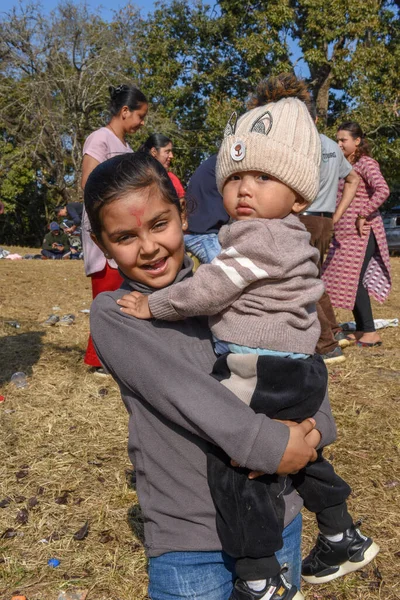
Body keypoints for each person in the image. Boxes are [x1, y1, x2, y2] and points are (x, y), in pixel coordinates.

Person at [117, 77, 378, 600]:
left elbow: (209, 289)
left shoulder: (258, 236)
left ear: (299, 190)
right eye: (234, 176)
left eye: (262, 176)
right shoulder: (294, 234)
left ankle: (259, 574)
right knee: (299, 450)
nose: (244, 189)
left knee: (240, 467)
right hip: (297, 366)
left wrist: (155, 304)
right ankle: (340, 531)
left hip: (258, 366)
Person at [84, 151, 338, 600]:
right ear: (103, 246)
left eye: (159, 224)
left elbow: (296, 351)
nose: (148, 247)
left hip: (277, 517)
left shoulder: (233, 287)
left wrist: (314, 430)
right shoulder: (116, 315)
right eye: (125, 237)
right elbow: (188, 394)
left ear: (183, 214)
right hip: (193, 539)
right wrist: (274, 446)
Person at [80, 83, 148, 375]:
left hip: (124, 228)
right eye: (140, 116)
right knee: (106, 291)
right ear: (124, 111)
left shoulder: (127, 148)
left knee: (122, 290)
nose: (142, 123)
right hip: (103, 228)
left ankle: (114, 355)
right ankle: (98, 360)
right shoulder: (100, 139)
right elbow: (87, 183)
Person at [299, 106, 360, 365]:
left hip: (304, 218)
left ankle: (327, 346)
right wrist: (336, 214)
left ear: (311, 119)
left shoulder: (300, 145)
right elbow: (353, 179)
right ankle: (334, 330)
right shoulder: (332, 146)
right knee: (314, 277)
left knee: (303, 282)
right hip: (324, 220)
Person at [322, 121, 391, 347]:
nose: (339, 144)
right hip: (344, 235)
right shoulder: (344, 165)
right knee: (342, 279)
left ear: (357, 141)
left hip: (362, 233)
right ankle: (361, 329)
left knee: (354, 280)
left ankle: (370, 332)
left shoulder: (366, 163)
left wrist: (363, 213)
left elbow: (383, 190)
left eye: (344, 140)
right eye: (337, 139)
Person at [184, 154, 230, 263]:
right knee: (226, 273)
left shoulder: (217, 162)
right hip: (201, 235)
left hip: (206, 231)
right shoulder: (225, 164)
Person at [138, 133, 185, 198]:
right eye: (167, 152)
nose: (171, 156)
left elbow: (182, 203)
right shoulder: (138, 176)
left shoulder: (172, 178)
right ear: (154, 152)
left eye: (171, 152)